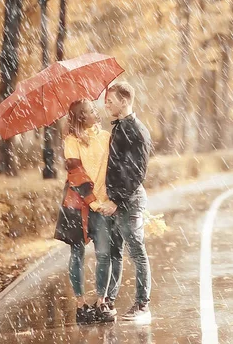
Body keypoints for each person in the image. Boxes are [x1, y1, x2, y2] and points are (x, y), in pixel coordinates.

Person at [54, 99, 123, 325]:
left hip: (102, 205)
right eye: (91, 110)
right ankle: (81, 305)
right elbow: (76, 173)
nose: (97, 112)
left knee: (104, 253)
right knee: (77, 254)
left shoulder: (105, 137)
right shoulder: (71, 141)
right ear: (81, 117)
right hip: (78, 206)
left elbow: (115, 167)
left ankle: (102, 301)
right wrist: (92, 202)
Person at [100, 82, 153, 324]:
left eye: (110, 100)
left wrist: (117, 201)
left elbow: (136, 173)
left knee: (137, 252)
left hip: (128, 202)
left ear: (124, 100)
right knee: (114, 253)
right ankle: (107, 302)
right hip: (115, 200)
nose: (106, 103)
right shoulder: (120, 128)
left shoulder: (137, 131)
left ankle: (143, 305)